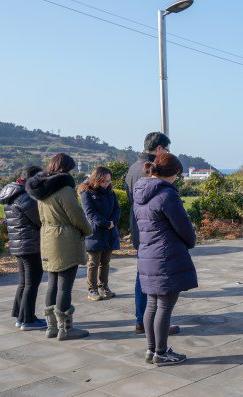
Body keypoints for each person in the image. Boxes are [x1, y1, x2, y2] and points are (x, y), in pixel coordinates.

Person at [133, 153, 197, 366]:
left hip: (147, 254)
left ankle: (152, 350)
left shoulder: (139, 191)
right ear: (171, 173)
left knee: (152, 304)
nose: (177, 178)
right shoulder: (167, 195)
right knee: (165, 306)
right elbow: (184, 226)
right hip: (166, 255)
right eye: (177, 174)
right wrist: (190, 241)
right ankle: (161, 352)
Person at [26, 153, 93, 341]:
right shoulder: (64, 189)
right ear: (66, 169)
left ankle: (52, 327)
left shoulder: (40, 190)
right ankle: (66, 328)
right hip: (64, 239)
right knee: (65, 286)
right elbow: (76, 215)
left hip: (47, 237)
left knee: (52, 284)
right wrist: (88, 230)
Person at [125, 131, 179, 336]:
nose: (167, 153)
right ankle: (148, 322)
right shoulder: (151, 170)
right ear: (158, 148)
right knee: (150, 278)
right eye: (166, 149)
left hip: (139, 227)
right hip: (154, 230)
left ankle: (144, 321)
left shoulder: (132, 168)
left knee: (144, 273)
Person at [0, 165, 46, 331]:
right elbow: (40, 220)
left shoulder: (13, 194)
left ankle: (19, 315)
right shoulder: (25, 197)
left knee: (24, 282)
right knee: (32, 282)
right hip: (30, 244)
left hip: (19, 244)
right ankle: (28, 319)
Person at [79, 166, 120, 301]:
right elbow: (90, 213)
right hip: (95, 233)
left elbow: (116, 209)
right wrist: (106, 223)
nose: (107, 184)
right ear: (96, 179)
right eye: (104, 181)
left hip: (109, 232)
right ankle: (92, 289)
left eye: (109, 181)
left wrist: (113, 222)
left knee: (105, 263)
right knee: (93, 263)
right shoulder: (87, 193)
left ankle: (104, 287)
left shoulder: (111, 192)